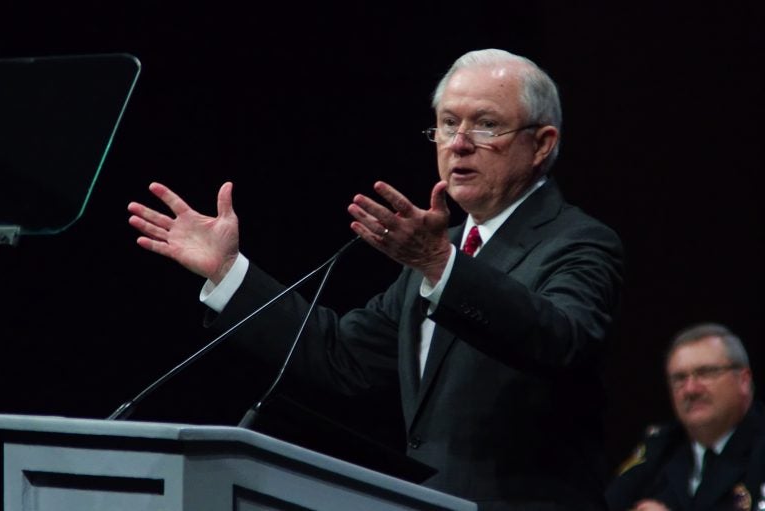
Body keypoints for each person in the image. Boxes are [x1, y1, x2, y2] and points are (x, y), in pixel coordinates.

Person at [127, 48, 624, 510]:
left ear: (541, 144)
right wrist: (229, 272)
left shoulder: (577, 242)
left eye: (487, 125)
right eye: (448, 124)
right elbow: (341, 358)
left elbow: (562, 339)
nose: (460, 144)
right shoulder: (439, 251)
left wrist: (440, 266)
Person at [605, 323, 765, 511]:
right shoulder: (661, 447)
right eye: (679, 378)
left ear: (743, 379)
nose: (690, 389)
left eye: (706, 373)